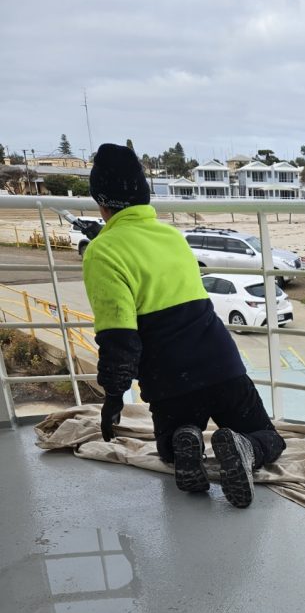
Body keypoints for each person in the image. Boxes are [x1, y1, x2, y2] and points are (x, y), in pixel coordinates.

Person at [82, 142, 285, 509]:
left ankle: (185, 441)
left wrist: (113, 399)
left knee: (172, 448)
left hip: (170, 381)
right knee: (268, 437)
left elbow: (119, 338)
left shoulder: (102, 252)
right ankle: (247, 450)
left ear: (101, 202)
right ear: (145, 196)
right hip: (220, 363)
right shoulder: (173, 237)